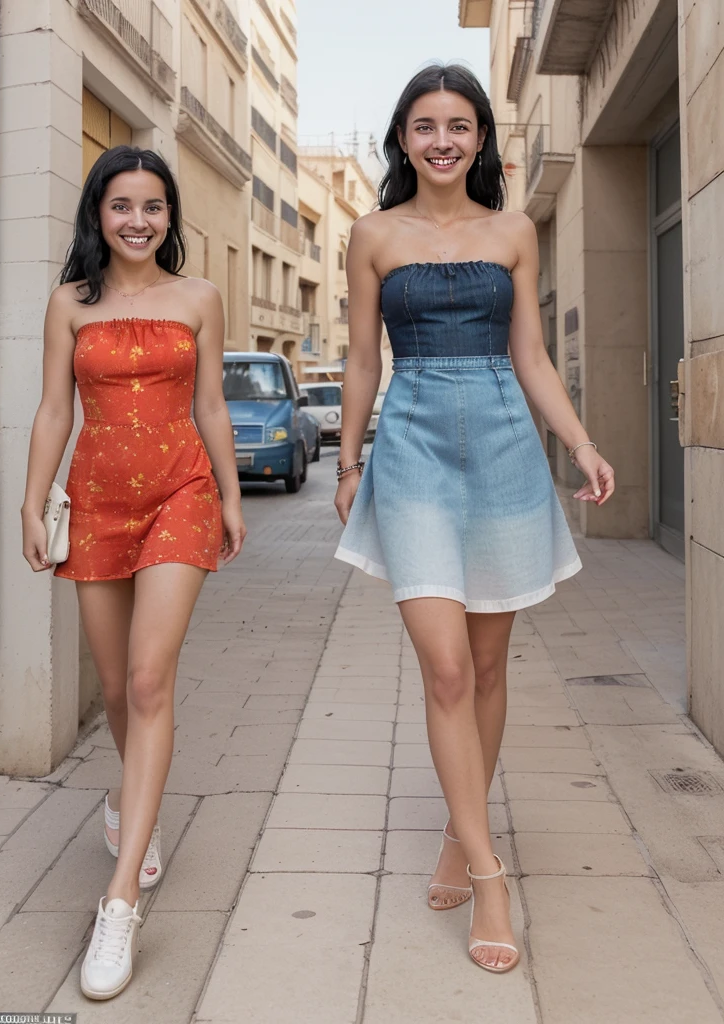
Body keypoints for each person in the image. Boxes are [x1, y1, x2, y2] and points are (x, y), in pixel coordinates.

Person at [334, 64, 614, 974]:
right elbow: (363, 361)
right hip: (412, 454)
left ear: (482, 138)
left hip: (501, 450)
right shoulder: (371, 234)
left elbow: (530, 357)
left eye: (459, 125)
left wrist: (579, 442)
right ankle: (491, 874)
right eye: (425, 125)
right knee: (447, 669)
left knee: (490, 665)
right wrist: (346, 460)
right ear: (403, 138)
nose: (442, 140)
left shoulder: (514, 230)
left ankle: (460, 835)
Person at [21, 145, 246, 1000]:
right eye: (123, 206)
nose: (140, 220)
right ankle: (131, 809)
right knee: (116, 689)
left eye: (154, 206)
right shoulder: (69, 305)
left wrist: (228, 496)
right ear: (99, 214)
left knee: (151, 679)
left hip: (180, 492)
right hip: (97, 500)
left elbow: (211, 404)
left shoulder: (199, 298)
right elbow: (52, 409)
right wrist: (32, 504)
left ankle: (119, 903)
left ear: (169, 216)